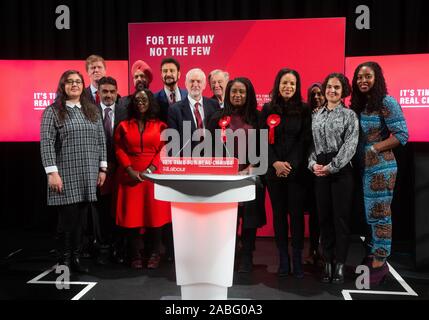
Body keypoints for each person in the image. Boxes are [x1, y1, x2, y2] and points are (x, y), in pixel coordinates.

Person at [40, 70, 107, 274]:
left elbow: (100, 140)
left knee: (80, 221)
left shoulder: (92, 110)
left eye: (78, 81)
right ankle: (64, 261)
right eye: (70, 82)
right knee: (67, 222)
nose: (74, 85)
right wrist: (52, 173)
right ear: (63, 86)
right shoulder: (52, 111)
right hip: (65, 174)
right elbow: (47, 143)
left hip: (88, 172)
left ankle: (75, 258)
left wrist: (102, 168)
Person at [350, 62, 408, 285]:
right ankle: (374, 253)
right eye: (359, 77)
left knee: (381, 214)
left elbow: (402, 135)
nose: (363, 81)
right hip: (365, 168)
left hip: (382, 168)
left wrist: (374, 148)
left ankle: (380, 260)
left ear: (377, 78)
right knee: (370, 214)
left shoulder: (387, 102)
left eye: (368, 76)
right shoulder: (360, 105)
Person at [207, 77, 266, 273]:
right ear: (228, 94)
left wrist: (252, 165)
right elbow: (208, 148)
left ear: (248, 94)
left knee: (249, 219)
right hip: (224, 177)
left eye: (242, 92)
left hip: (250, 174)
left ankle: (247, 255)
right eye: (234, 91)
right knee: (227, 219)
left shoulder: (257, 118)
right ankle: (227, 254)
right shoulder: (217, 118)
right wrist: (223, 168)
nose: (238, 95)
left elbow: (264, 147)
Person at [308, 73, 359, 284]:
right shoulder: (316, 115)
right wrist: (313, 164)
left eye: (337, 88)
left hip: (341, 171)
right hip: (320, 170)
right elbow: (312, 145)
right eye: (329, 87)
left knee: (340, 219)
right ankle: (327, 261)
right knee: (324, 218)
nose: (332, 91)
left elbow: (350, 145)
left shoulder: (349, 115)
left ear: (343, 91)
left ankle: (339, 264)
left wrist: (332, 167)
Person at [261, 68, 312, 278]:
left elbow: (304, 141)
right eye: (284, 83)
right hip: (274, 173)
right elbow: (262, 140)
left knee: (297, 217)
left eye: (292, 83)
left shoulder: (304, 109)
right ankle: (283, 259)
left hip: (296, 173)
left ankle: (298, 259)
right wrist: (275, 164)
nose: (288, 87)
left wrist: (289, 164)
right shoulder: (267, 108)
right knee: (280, 217)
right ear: (277, 85)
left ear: (296, 86)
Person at [114, 88, 171, 269]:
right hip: (130, 176)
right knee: (132, 218)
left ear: (150, 102)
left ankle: (155, 253)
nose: (140, 103)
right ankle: (135, 253)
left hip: (154, 176)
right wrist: (129, 169)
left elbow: (164, 148)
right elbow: (118, 148)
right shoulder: (123, 125)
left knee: (155, 218)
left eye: (144, 100)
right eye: (137, 100)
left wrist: (151, 168)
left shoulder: (161, 126)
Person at [93, 76, 128, 265]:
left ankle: (120, 248)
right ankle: (103, 248)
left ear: (117, 92)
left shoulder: (125, 110)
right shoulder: (90, 112)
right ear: (98, 93)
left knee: (120, 209)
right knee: (102, 210)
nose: (108, 95)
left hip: (122, 168)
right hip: (100, 170)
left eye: (112, 91)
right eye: (104, 91)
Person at [167, 68, 220, 155]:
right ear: (186, 84)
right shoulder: (174, 110)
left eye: (198, 81)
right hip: (187, 160)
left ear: (204, 85)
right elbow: (173, 143)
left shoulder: (214, 105)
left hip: (211, 158)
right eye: (192, 81)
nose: (195, 84)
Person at [303, 83, 326, 266]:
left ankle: (325, 250)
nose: (317, 97)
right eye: (313, 95)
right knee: (313, 213)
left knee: (324, 213)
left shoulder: (333, 115)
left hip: (328, 169)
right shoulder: (306, 116)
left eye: (320, 94)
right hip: (308, 171)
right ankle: (312, 250)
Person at [154, 57, 188, 123]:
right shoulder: (154, 99)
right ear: (161, 75)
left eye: (172, 70)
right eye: (165, 71)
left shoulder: (188, 96)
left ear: (179, 74)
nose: (168, 74)